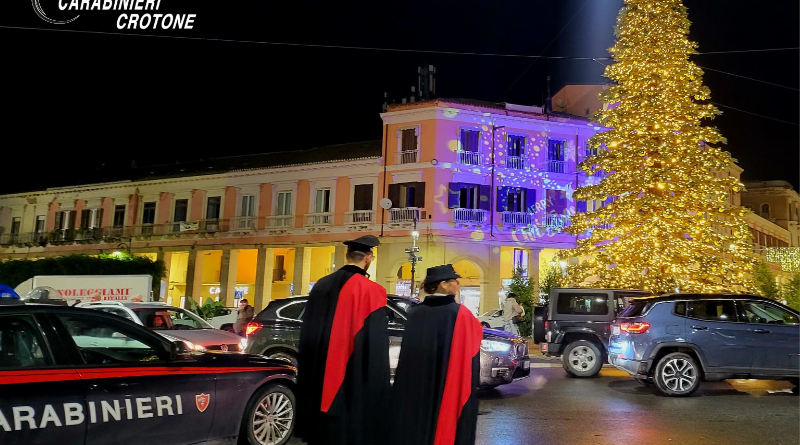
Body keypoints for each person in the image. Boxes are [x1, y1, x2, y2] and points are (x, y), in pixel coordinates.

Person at [295, 235, 390, 445]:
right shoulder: (372, 291)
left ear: (347, 255)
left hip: (317, 374)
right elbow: (375, 346)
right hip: (349, 379)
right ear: (369, 258)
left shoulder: (321, 285)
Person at [389, 264, 483, 445]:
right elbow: (472, 345)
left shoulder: (415, 313)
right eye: (454, 281)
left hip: (417, 385)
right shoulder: (459, 313)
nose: (457, 284)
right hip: (447, 383)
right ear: (443, 285)